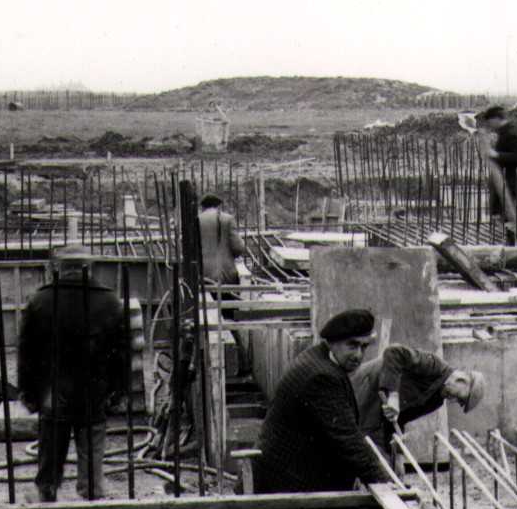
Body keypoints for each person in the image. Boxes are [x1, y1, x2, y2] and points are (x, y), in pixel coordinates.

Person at [15, 247, 132, 503]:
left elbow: (27, 352)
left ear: (59, 268)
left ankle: (47, 490)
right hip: (94, 389)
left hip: (53, 390)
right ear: (88, 268)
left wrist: (28, 392)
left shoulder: (40, 300)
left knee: (51, 443)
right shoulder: (109, 301)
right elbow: (122, 353)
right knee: (91, 446)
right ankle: (92, 491)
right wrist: (119, 391)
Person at [251, 307, 389, 492]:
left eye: (363, 347)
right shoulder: (322, 377)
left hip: (287, 474)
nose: (358, 355)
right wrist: (385, 483)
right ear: (333, 342)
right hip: (283, 485)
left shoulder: (320, 358)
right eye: (352, 345)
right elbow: (348, 439)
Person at [354, 343, 484, 455]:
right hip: (364, 385)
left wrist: (397, 451)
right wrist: (393, 395)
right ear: (461, 380)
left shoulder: (436, 401)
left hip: (373, 408)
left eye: (458, 402)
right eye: (459, 397)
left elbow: (399, 418)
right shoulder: (433, 365)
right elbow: (393, 352)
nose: (453, 400)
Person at [477, 105, 517, 245]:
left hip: (513, 179)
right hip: (506, 179)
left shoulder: (512, 134)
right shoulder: (504, 133)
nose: (489, 126)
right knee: (503, 211)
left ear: (496, 119)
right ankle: (510, 240)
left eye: (489, 122)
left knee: (508, 211)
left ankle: (513, 242)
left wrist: (496, 155)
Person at [195, 193, 241, 288]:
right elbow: (238, 248)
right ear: (218, 206)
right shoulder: (228, 219)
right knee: (229, 296)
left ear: (202, 207)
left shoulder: (196, 220)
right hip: (225, 275)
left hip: (200, 275)